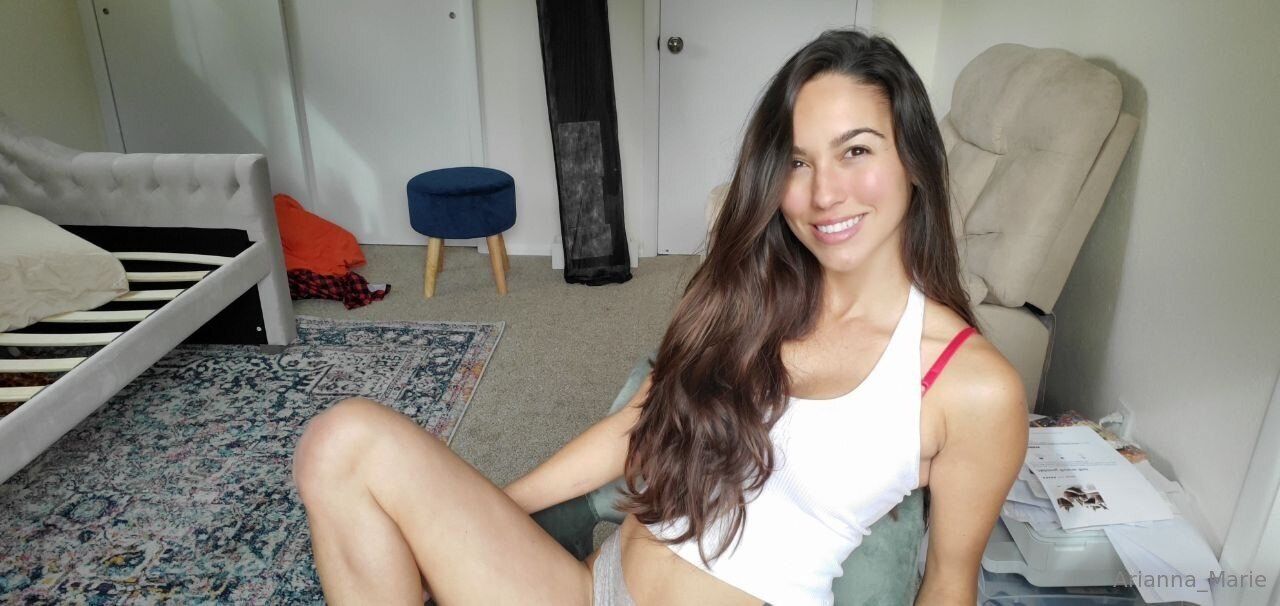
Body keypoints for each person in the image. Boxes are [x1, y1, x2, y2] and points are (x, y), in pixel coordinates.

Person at [292, 28, 1028, 606]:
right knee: (340, 440)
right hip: (593, 589)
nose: (824, 193)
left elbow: (948, 584)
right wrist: (493, 515)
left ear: (913, 163)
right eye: (798, 162)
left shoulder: (969, 386)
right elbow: (637, 427)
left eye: (856, 151)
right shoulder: (751, 296)